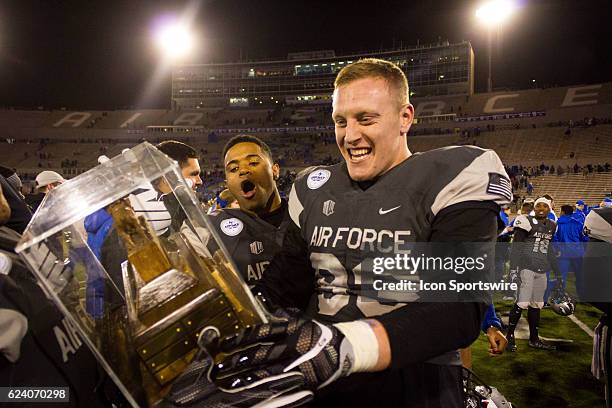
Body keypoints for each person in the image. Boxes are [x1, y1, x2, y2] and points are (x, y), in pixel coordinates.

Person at [203, 58, 512, 407]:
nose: (350, 136)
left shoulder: (454, 175)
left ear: (405, 118)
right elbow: (285, 283)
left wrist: (342, 347)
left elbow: (457, 308)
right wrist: (233, 321)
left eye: (366, 119)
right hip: (324, 382)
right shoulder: (313, 188)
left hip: (414, 382)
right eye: (340, 121)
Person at [207, 135, 290, 283]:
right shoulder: (213, 229)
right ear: (227, 184)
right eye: (233, 168)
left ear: (275, 170)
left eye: (253, 162)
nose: (243, 171)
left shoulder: (305, 215)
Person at [506, 197, 560, 352]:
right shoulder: (525, 221)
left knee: (537, 305)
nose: (541, 208)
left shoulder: (552, 225)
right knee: (522, 302)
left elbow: (548, 249)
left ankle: (534, 339)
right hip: (526, 268)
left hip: (542, 270)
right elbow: (516, 248)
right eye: (538, 206)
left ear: (550, 209)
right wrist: (513, 271)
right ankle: (509, 336)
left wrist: (558, 274)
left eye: (545, 206)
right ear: (534, 208)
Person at [554, 204, 588, 297]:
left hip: (563, 253)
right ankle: (582, 295)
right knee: (579, 275)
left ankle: (560, 295)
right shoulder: (579, 223)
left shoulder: (557, 224)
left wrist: (557, 249)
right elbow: (585, 238)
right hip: (577, 253)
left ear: (563, 212)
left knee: (562, 276)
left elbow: (555, 239)